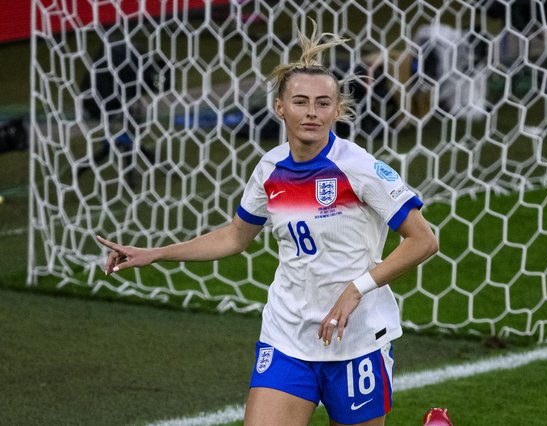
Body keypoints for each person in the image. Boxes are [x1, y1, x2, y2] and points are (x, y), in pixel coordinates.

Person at [96, 21, 438, 426]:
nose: (312, 112)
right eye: (300, 101)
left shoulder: (360, 169)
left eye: (323, 103)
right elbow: (235, 235)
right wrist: (156, 254)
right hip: (287, 334)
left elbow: (423, 240)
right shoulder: (270, 169)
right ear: (279, 106)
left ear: (338, 109)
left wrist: (356, 288)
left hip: (357, 338)